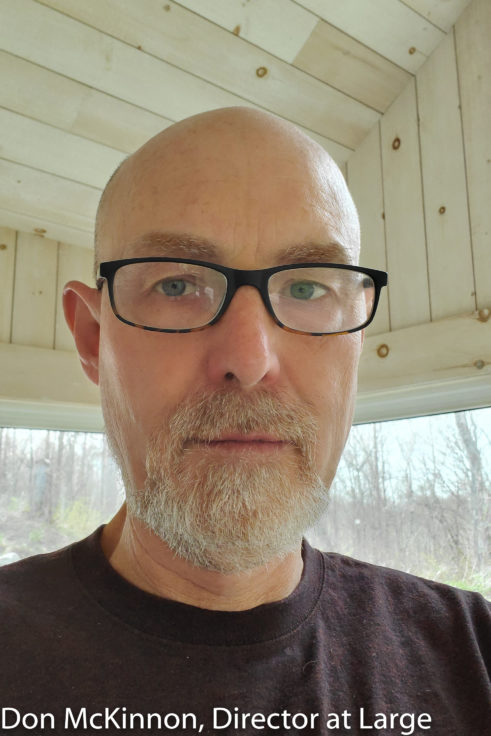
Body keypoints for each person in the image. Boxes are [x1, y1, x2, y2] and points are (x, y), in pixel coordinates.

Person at [0, 107, 489, 735]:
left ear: (356, 343)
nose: (250, 361)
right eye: (177, 285)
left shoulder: (474, 655)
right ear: (95, 339)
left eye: (308, 289)